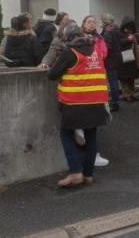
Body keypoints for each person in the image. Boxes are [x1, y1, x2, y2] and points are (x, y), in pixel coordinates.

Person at [47, 24, 110, 187]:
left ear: (68, 39)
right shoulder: (96, 49)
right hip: (97, 100)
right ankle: (88, 175)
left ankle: (75, 171)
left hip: (75, 102)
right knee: (91, 136)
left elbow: (52, 74)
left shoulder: (70, 52)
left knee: (65, 134)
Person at [100, 13, 125, 112]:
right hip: (116, 58)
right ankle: (116, 101)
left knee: (112, 81)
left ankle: (115, 103)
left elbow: (108, 47)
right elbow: (121, 40)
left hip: (110, 60)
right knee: (114, 81)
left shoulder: (107, 33)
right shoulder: (116, 30)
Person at [118, 17, 139, 102]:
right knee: (124, 78)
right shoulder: (120, 33)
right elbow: (119, 43)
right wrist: (128, 39)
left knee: (132, 77)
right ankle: (126, 95)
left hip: (133, 59)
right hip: (124, 59)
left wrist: (134, 38)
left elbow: (137, 43)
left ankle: (131, 94)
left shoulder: (134, 34)